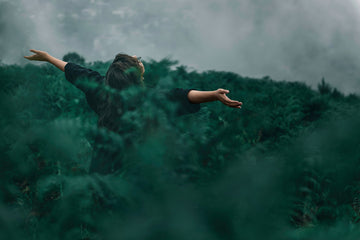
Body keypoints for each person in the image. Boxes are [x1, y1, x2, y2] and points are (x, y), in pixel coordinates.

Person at [24, 49, 243, 174]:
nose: (140, 60)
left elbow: (71, 69)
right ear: (135, 75)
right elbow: (182, 95)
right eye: (138, 61)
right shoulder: (147, 97)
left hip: (102, 166)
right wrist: (214, 95)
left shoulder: (99, 86)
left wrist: (47, 57)